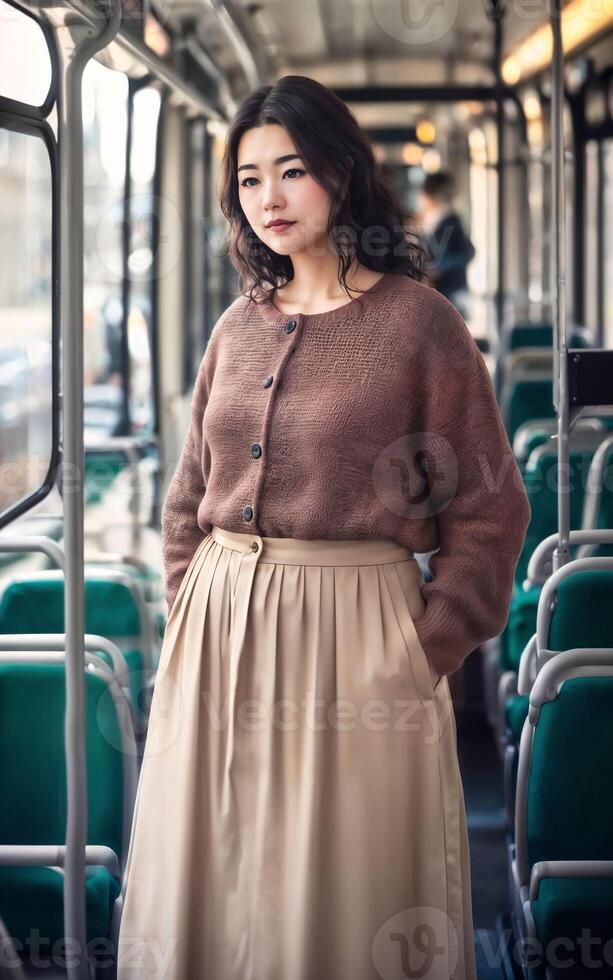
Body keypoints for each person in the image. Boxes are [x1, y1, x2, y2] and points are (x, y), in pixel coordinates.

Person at [117, 75, 530, 980]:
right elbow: (190, 492)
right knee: (213, 878)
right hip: (218, 635)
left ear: (340, 173)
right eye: (249, 177)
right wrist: (192, 608)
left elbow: (491, 510)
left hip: (357, 639)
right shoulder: (235, 325)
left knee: (344, 888)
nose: (267, 197)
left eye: (290, 170)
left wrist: (420, 648)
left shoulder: (420, 325)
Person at [418, 171, 476, 319]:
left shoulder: (450, 220)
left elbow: (467, 252)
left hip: (451, 290)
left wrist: (436, 268)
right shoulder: (434, 220)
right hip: (443, 290)